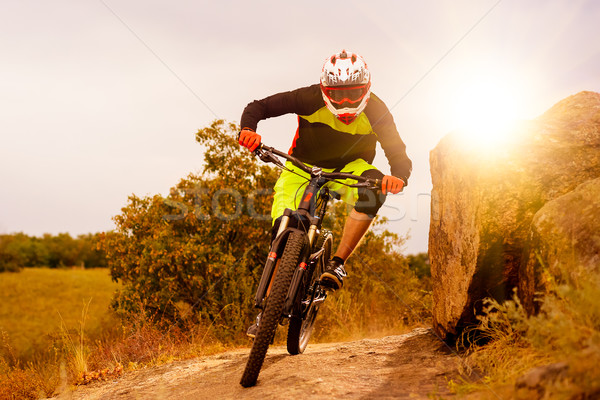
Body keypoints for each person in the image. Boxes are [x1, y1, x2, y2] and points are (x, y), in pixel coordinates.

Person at [239, 50, 412, 337]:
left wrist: (399, 178)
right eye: (337, 94)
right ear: (324, 89)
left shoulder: (377, 111)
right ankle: (266, 313)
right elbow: (258, 107)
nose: (345, 102)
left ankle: (338, 263)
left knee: (374, 190)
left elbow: (399, 155)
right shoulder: (308, 98)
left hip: (349, 169)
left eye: (353, 93)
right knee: (284, 232)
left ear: (366, 89)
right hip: (301, 167)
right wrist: (248, 130)